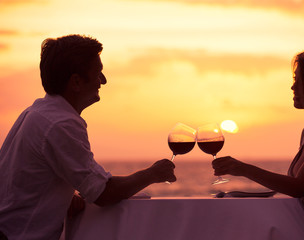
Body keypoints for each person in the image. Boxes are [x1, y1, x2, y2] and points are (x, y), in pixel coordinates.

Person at [0, 34, 176, 240]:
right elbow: (103, 193)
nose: (104, 80)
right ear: (76, 81)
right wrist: (153, 174)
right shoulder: (61, 124)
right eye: (98, 73)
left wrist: (65, 198)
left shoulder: (36, 112)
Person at [212, 48, 304, 240]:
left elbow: (298, 187)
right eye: (294, 79)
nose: (293, 87)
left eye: (300, 80)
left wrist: (242, 169)